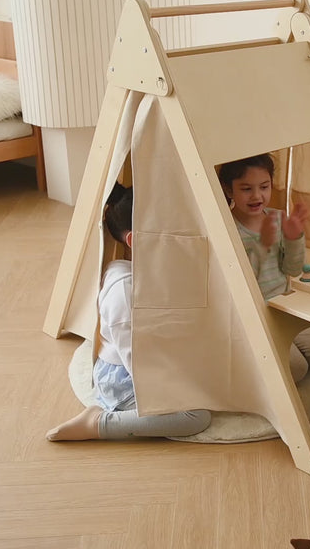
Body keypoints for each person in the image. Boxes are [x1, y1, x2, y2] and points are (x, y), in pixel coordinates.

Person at [46, 184, 212, 441]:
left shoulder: (144, 269)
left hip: (151, 357)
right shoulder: (123, 292)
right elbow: (137, 360)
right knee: (196, 416)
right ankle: (100, 423)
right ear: (136, 240)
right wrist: (176, 385)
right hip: (125, 379)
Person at [218, 153, 310, 380]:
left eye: (264, 187)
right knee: (295, 368)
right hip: (252, 313)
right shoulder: (226, 228)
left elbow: (292, 270)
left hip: (284, 305)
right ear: (228, 190)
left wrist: (294, 237)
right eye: (246, 189)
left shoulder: (277, 217)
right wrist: (262, 244)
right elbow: (237, 282)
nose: (257, 196)